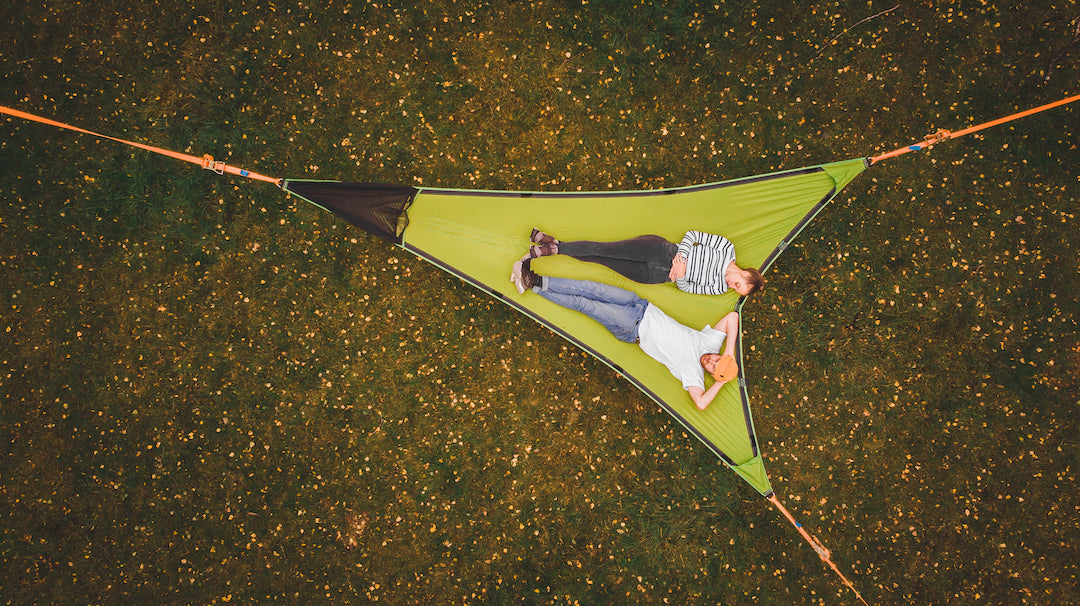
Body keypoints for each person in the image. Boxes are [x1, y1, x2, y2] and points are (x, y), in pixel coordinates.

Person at [510, 256, 739, 411]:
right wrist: (729, 354)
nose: (711, 361)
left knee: (585, 304)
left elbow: (700, 403)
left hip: (632, 327)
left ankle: (530, 285)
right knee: (591, 288)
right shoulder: (710, 343)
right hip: (641, 305)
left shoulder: (693, 373)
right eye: (716, 360)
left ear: (710, 374)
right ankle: (535, 279)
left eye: (713, 367)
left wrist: (721, 380)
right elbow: (733, 318)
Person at [528, 228, 764, 297]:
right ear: (745, 275)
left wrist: (680, 276)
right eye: (738, 285)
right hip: (660, 251)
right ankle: (554, 249)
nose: (731, 287)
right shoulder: (726, 249)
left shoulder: (718, 288)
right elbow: (694, 236)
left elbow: (688, 288)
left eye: (736, 290)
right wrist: (680, 260)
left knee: (602, 260)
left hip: (657, 276)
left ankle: (554, 244)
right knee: (604, 248)